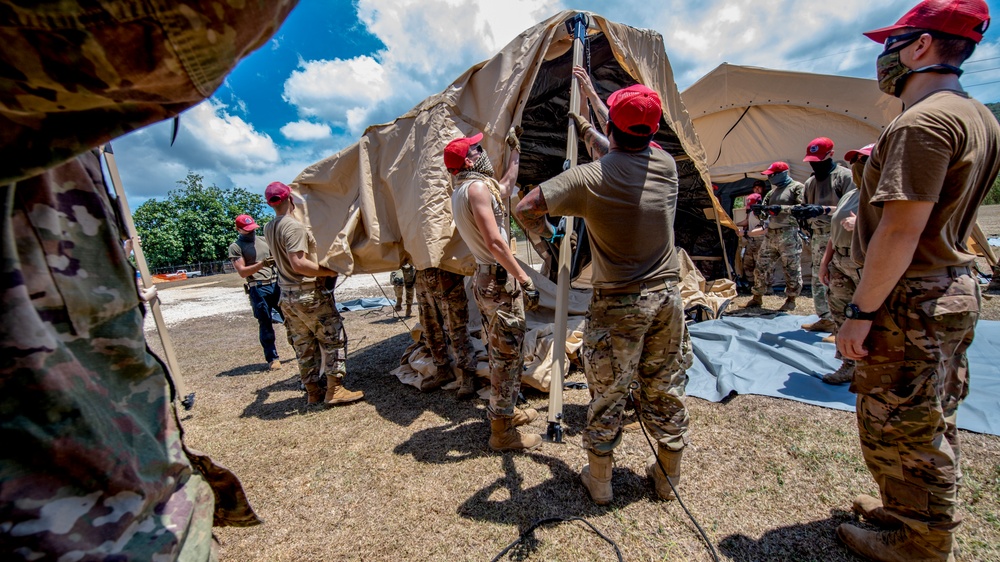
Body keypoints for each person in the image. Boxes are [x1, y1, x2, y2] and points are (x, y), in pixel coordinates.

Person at [0, 1, 295, 558]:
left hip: (122, 484)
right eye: (253, 222)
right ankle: (270, 356)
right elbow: (239, 270)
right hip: (82, 521)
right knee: (268, 326)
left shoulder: (266, 229)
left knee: (283, 320)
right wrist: (263, 267)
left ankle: (278, 352)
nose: (254, 226)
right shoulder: (240, 244)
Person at [835, 2, 999, 560]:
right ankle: (908, 511)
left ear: (922, 46)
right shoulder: (978, 115)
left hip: (914, 298)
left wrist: (859, 313)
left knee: (900, 423)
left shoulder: (923, 122)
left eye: (893, 43)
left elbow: (902, 229)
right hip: (946, 286)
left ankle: (920, 543)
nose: (884, 57)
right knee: (926, 414)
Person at [515, 83, 693, 505]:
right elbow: (614, 146)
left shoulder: (587, 179)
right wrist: (589, 110)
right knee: (665, 386)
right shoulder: (666, 165)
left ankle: (600, 482)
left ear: (611, 126)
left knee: (609, 392)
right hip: (667, 297)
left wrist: (548, 236)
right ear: (652, 132)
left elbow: (525, 209)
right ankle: (667, 478)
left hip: (619, 304)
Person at [447, 129, 542, 451]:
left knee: (501, 349)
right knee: (506, 357)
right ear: (470, 160)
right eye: (476, 148)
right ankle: (502, 431)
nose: (482, 150)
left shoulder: (465, 189)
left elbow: (503, 188)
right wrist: (525, 279)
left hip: (487, 279)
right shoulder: (474, 189)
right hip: (499, 281)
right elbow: (495, 241)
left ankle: (507, 412)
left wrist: (514, 154)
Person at [264, 181, 365, 408]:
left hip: (287, 296)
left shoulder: (269, 227)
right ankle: (335, 390)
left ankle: (313, 392)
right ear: (290, 198)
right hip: (307, 293)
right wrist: (328, 271)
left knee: (303, 344)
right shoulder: (293, 227)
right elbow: (299, 263)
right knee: (333, 338)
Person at [817, 144, 871, 384]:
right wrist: (825, 263)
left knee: (867, 315)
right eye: (854, 160)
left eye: (863, 160)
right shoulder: (851, 193)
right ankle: (848, 364)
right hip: (840, 258)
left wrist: (860, 224)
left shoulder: (883, 195)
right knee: (840, 311)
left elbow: (897, 232)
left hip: (864, 261)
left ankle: (870, 365)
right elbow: (834, 232)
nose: (856, 166)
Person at [800, 137, 854, 333]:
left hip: (838, 234)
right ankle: (825, 318)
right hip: (817, 235)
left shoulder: (845, 177)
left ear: (830, 155)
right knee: (818, 277)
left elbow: (850, 209)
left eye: (819, 160)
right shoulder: (810, 182)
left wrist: (822, 209)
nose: (815, 165)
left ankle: (840, 326)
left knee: (838, 280)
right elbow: (807, 205)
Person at [744, 161, 804, 310]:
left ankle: (791, 299)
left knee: (791, 269)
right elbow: (765, 216)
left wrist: (781, 209)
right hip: (771, 234)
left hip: (789, 233)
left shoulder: (796, 187)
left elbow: (802, 208)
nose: (770, 178)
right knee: (761, 267)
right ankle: (757, 297)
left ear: (782, 174)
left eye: (772, 175)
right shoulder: (771, 193)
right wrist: (760, 212)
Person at [413, 266, 480, 397]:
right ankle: (442, 369)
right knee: (430, 326)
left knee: (456, 326)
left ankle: (468, 374)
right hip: (422, 275)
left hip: (447, 275)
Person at [229, 213, 284, 370]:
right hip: (258, 288)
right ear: (238, 229)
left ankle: (300, 351)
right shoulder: (236, 247)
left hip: (276, 284)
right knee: (265, 323)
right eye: (247, 229)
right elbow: (242, 272)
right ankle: (273, 358)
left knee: (291, 319)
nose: (251, 231)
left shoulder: (264, 240)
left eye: (252, 228)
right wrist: (262, 264)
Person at [736, 180, 768, 286]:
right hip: (751, 241)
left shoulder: (763, 210)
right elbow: (748, 221)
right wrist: (734, 224)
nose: (757, 189)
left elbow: (764, 228)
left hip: (761, 241)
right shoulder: (751, 210)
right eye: (755, 188)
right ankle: (751, 285)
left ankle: (765, 286)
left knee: (762, 265)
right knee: (748, 264)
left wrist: (745, 233)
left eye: (759, 187)